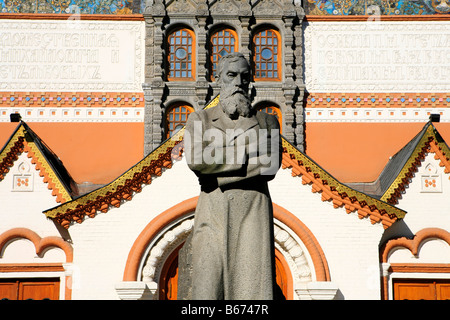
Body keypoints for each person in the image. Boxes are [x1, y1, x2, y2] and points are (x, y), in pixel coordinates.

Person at [178, 52, 282, 300]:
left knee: (252, 292)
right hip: (213, 214)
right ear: (219, 79)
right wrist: (251, 148)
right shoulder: (200, 119)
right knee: (207, 291)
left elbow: (270, 164)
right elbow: (197, 160)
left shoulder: (268, 121)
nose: (238, 82)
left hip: (253, 216)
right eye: (231, 75)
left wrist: (218, 168)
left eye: (244, 77)